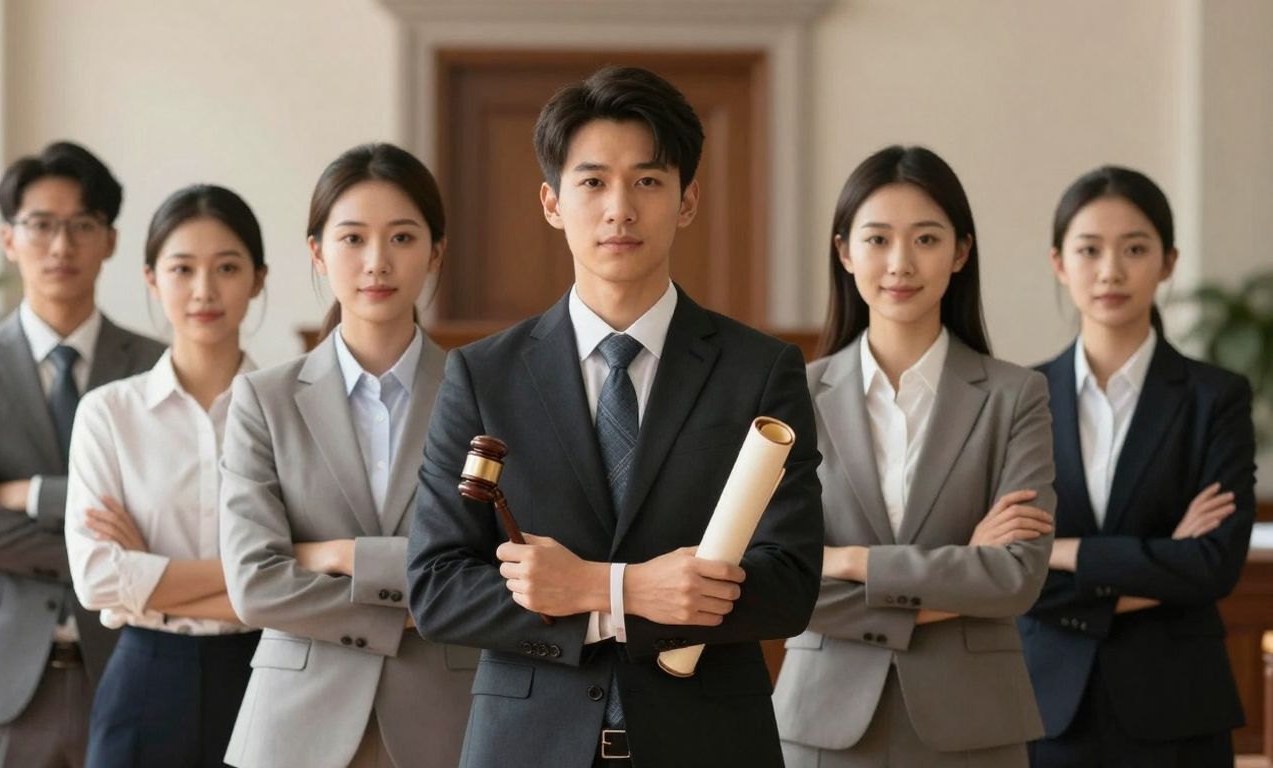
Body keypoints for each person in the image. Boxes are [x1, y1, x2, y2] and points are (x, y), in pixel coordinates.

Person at [407, 65, 825, 768]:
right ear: (552, 202)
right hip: (527, 748)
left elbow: (789, 586)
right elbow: (438, 587)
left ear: (687, 201)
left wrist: (588, 585)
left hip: (710, 747)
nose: (620, 209)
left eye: (648, 181)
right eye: (593, 181)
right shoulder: (484, 374)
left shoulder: (760, 370)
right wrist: (627, 593)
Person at [772, 145, 1054, 767]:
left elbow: (1017, 578)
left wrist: (850, 561)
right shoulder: (792, 394)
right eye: (878, 239)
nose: (901, 262)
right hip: (821, 722)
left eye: (926, 238)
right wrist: (963, 572)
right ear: (845, 251)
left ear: (960, 252)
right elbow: (777, 581)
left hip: (975, 726)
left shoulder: (1016, 396)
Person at [219, 143, 476, 768]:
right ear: (318, 252)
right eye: (353, 238)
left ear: (435, 252)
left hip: (447, 724)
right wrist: (410, 600)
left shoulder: (482, 395)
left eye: (402, 238)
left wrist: (337, 555)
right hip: (294, 728)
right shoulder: (263, 399)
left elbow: (489, 574)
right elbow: (254, 585)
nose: (377, 262)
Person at [0, 140, 164, 766]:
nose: (61, 246)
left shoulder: (156, 367)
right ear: (9, 238)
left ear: (110, 241)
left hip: (129, 667)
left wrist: (30, 495)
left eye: (82, 225)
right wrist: (108, 555)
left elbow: (164, 511)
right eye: (41, 225)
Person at [1020, 165, 1255, 767]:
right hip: (1043, 707)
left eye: (1134, 249)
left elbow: (1212, 566)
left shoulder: (1215, 398)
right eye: (1089, 249)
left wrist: (1064, 551)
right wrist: (1163, 559)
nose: (1110, 271)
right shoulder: (1019, 398)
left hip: (1179, 708)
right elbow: (1007, 571)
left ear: (1168, 262)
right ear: (1058, 263)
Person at [66, 184, 267, 767]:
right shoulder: (109, 413)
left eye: (227, 267)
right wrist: (261, 578)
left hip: (266, 676)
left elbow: (309, 588)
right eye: (182, 269)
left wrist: (148, 577)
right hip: (145, 680)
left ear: (257, 279)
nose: (204, 290)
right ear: (152, 279)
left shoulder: (288, 412)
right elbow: (98, 579)